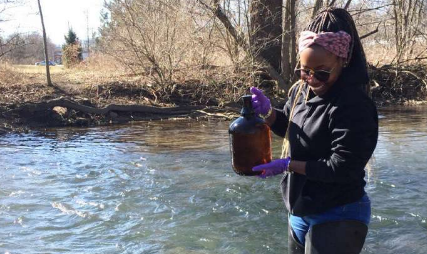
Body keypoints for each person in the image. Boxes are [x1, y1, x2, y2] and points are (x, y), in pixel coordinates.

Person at [250, 8, 378, 254]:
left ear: (344, 60)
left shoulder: (353, 104)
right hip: (299, 210)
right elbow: (291, 127)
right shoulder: (302, 90)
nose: (312, 79)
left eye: (321, 72)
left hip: (338, 213)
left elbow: (342, 166)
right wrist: (269, 114)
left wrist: (288, 165)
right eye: (304, 70)